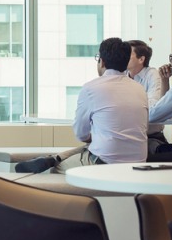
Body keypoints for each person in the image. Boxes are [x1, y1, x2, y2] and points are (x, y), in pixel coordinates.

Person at [15, 37, 148, 173]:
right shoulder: (140, 88)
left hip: (105, 164)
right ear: (126, 63)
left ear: (102, 61)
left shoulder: (91, 88)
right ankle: (54, 158)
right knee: (96, 146)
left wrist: (94, 136)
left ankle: (53, 161)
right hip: (137, 163)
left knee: (55, 171)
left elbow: (80, 134)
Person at [127, 40, 167, 159]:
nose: (123, 56)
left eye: (128, 53)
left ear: (141, 59)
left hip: (151, 137)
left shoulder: (152, 74)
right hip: (127, 137)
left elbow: (152, 107)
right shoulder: (122, 74)